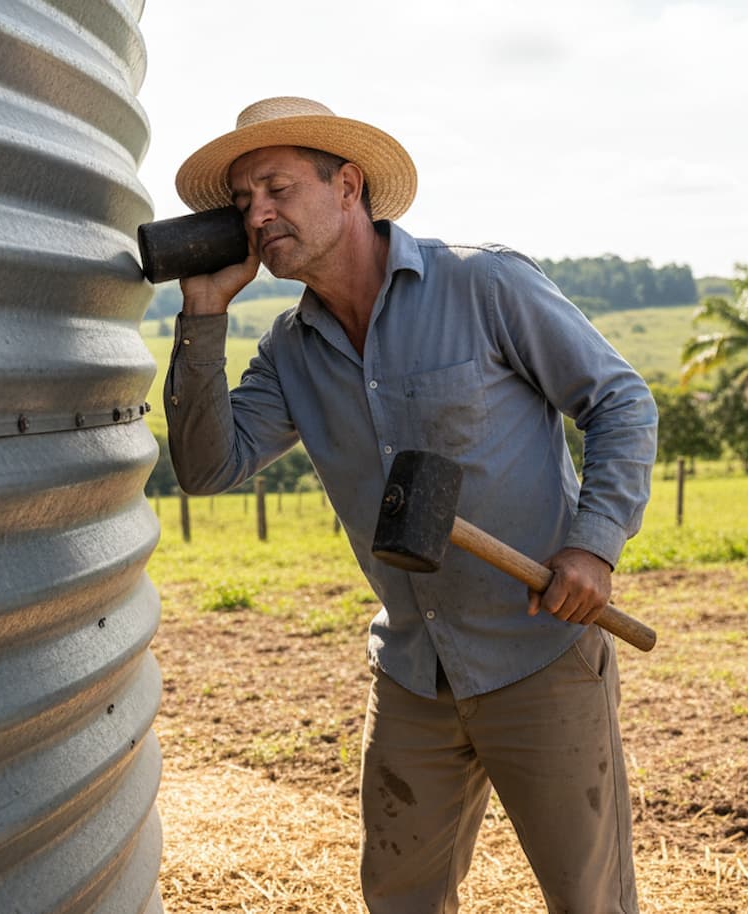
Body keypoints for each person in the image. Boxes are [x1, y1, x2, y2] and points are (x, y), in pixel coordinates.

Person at [163, 96, 656, 914]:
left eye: (278, 189)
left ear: (347, 185)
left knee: (589, 899)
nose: (257, 216)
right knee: (399, 899)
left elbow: (620, 401)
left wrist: (594, 544)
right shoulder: (289, 352)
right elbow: (208, 467)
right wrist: (204, 311)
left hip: (537, 652)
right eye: (244, 201)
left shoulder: (483, 284)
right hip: (412, 672)